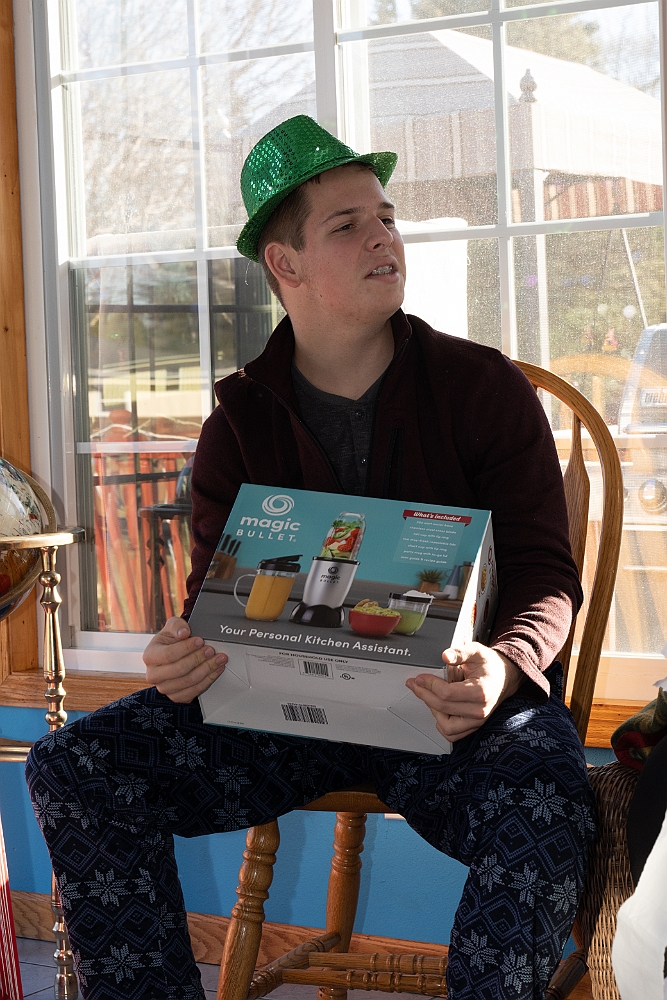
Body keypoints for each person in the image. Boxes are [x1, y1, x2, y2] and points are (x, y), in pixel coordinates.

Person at [26, 115, 595, 1000]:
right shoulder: (238, 424)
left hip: (449, 716)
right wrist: (182, 653)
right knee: (74, 766)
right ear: (283, 264)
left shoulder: (484, 389)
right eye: (347, 224)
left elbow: (546, 576)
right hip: (281, 719)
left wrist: (506, 666)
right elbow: (214, 600)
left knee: (550, 790)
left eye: (386, 217)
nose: (383, 237)